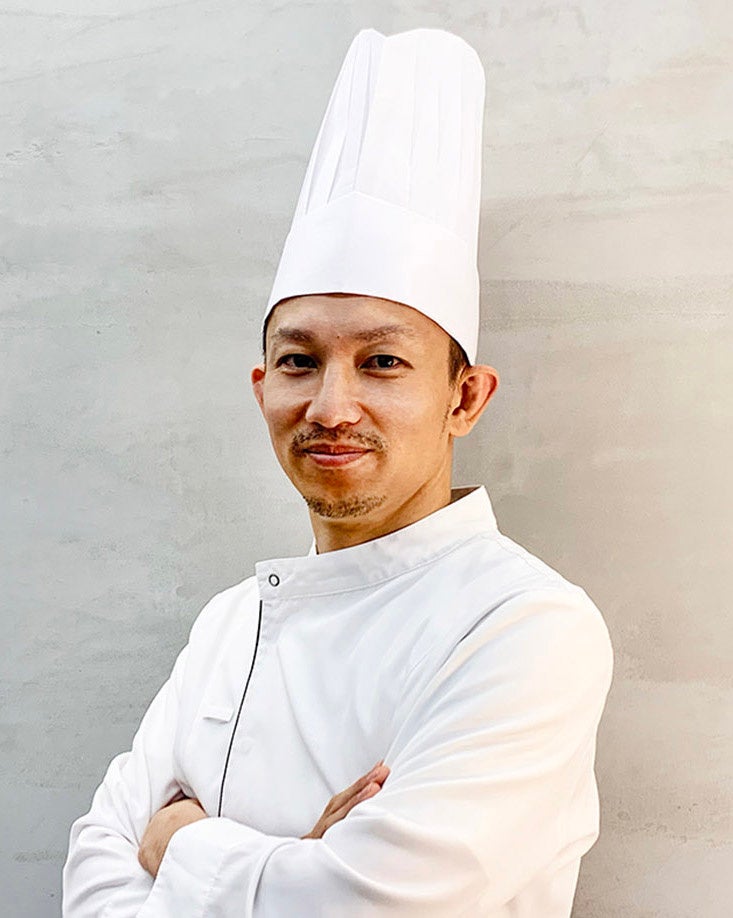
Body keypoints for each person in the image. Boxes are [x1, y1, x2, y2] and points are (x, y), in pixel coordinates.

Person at [63, 27, 613, 917]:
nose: (329, 406)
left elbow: (377, 906)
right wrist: (290, 865)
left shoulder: (523, 625)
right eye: (299, 360)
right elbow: (90, 880)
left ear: (464, 397)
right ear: (261, 387)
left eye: (382, 362)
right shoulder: (229, 624)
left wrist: (180, 844)